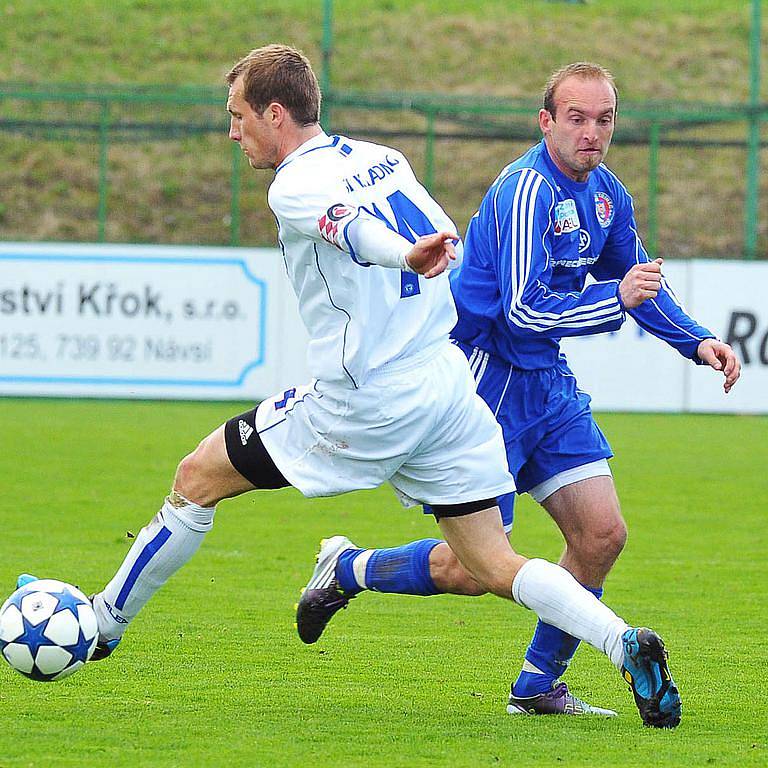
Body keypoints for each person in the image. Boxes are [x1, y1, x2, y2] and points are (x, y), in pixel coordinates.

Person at [22, 47, 681, 728]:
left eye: (237, 115)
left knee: (197, 477)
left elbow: (352, 229)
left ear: (275, 114)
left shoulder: (293, 185)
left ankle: (103, 623)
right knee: (491, 563)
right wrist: (421, 252)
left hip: (366, 403)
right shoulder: (383, 157)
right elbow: (438, 231)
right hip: (449, 388)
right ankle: (620, 640)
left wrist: (399, 254)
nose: (232, 132)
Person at [297, 61, 739, 719]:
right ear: (547, 121)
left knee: (601, 535)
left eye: (605, 119)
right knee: (471, 572)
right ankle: (348, 568)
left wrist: (695, 340)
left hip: (544, 381)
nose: (592, 133)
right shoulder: (525, 190)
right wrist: (614, 299)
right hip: (479, 382)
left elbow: (637, 283)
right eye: (577, 118)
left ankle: (537, 687)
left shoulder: (608, 194)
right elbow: (525, 309)